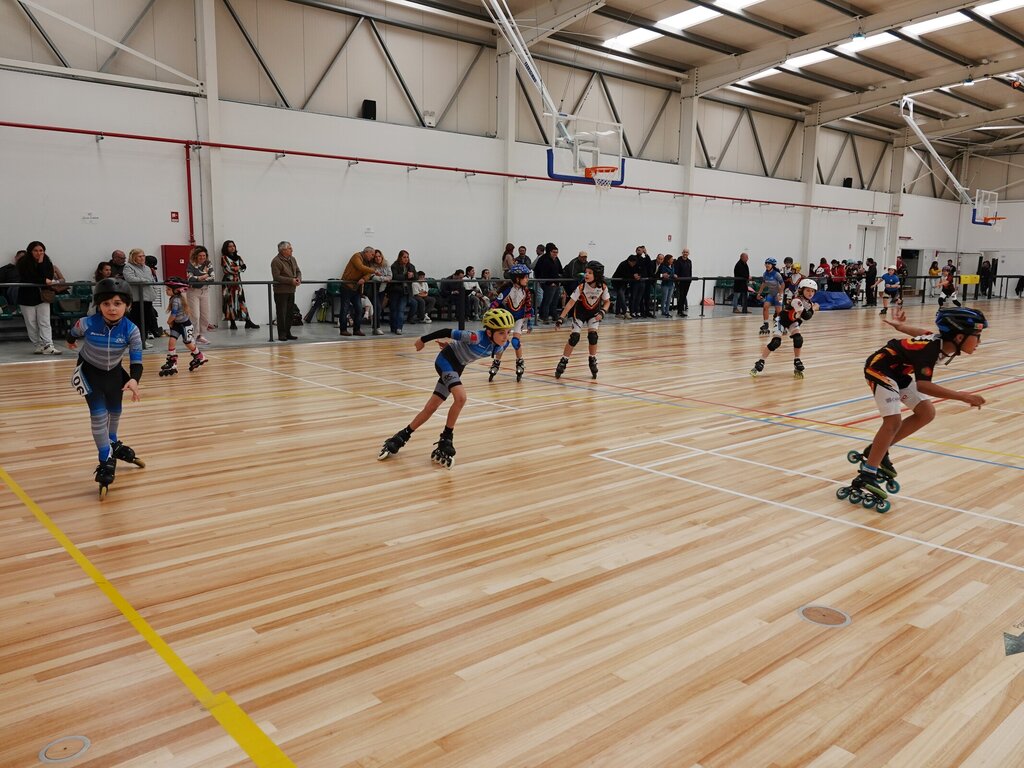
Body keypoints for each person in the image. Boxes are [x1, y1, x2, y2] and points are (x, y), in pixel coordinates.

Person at [841, 305, 987, 511]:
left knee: (927, 412)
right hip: (879, 368)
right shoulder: (931, 350)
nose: (979, 342)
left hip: (897, 371)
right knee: (893, 421)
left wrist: (900, 326)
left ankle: (877, 450)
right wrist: (962, 396)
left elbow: (922, 333)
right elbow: (923, 385)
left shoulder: (941, 343)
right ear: (959, 337)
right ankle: (868, 473)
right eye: (977, 336)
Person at [377, 307, 515, 468]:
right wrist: (423, 340)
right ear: (489, 332)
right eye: (501, 333)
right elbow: (446, 331)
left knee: (431, 407)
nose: (506, 337)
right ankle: (446, 438)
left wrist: (456, 345)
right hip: (446, 360)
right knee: (461, 398)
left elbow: (497, 350)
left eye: (508, 332)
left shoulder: (502, 344)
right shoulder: (474, 337)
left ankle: (401, 436)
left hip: (458, 367)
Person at [66, 277, 145, 496]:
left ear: (127, 305)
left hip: (114, 375)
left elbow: (137, 361)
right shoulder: (87, 323)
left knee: (115, 412)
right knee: (99, 416)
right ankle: (105, 458)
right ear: (98, 305)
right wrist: (71, 341)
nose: (112, 308)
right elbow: (72, 332)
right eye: (106, 303)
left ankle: (112, 443)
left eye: (117, 303)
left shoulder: (132, 330)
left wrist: (134, 379)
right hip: (89, 373)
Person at [750, 278, 819, 379]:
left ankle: (797, 360)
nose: (810, 293)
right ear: (801, 290)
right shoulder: (797, 300)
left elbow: (806, 314)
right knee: (776, 342)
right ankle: (761, 361)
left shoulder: (808, 302)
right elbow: (806, 316)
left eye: (812, 291)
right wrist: (814, 308)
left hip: (792, 322)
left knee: (798, 339)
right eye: (808, 290)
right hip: (781, 320)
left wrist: (812, 307)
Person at [553, 261, 611, 380]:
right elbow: (570, 304)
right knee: (574, 338)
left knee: (593, 337)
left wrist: (603, 312)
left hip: (593, 314)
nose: (586, 274)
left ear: (597, 275)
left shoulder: (603, 287)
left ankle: (592, 358)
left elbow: (607, 302)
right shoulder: (581, 287)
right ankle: (564, 359)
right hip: (580, 313)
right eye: (586, 272)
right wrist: (561, 318)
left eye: (589, 273)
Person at [487, 263, 533, 383]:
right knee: (503, 343)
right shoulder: (508, 290)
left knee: (515, 342)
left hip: (519, 318)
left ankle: (520, 362)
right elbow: (496, 302)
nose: (527, 279)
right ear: (517, 279)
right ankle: (496, 362)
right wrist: (490, 311)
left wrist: (530, 322)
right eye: (525, 277)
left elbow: (529, 307)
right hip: (508, 318)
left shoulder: (526, 291)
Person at [17, 241, 62, 355]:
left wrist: (41, 263)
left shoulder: (47, 261)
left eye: (41, 250)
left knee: (45, 321)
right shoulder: (23, 262)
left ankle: (49, 345)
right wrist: (44, 280)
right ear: (30, 251)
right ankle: (38, 345)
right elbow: (28, 277)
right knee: (31, 323)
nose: (39, 253)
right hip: (27, 297)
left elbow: (47, 277)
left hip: (42, 296)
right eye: (36, 251)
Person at [160, 277, 207, 376]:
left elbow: (173, 315)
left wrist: (168, 322)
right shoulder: (174, 298)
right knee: (171, 341)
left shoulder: (176, 300)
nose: (166, 291)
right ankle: (172, 362)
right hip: (177, 324)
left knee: (188, 343)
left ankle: (200, 356)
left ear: (176, 290)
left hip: (185, 325)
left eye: (168, 289)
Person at [122, 248, 159, 347]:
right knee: (136, 320)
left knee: (146, 320)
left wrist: (154, 290)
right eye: (139, 256)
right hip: (137, 298)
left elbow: (152, 280)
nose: (142, 258)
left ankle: (143, 340)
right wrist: (145, 281)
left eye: (143, 256)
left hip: (148, 297)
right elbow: (130, 279)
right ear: (133, 257)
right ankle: (133, 340)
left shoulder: (147, 268)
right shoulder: (128, 267)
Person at [221, 240, 259, 330]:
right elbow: (228, 269)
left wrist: (236, 268)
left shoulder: (238, 257)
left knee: (241, 301)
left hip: (238, 282)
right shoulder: (224, 258)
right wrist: (238, 268)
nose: (232, 248)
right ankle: (232, 322)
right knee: (230, 302)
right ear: (226, 248)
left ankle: (247, 321)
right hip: (228, 283)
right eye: (230, 246)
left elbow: (244, 268)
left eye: (233, 246)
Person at [340, 246, 376, 336]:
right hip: (346, 286)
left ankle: (356, 329)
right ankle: (343, 330)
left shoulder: (368, 263)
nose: (373, 257)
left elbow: (368, 274)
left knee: (359, 309)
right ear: (366, 252)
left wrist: (364, 279)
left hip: (356, 288)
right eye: (372, 254)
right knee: (344, 309)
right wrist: (374, 271)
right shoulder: (356, 256)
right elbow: (360, 267)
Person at [270, 241, 301, 341]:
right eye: (290, 248)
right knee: (281, 313)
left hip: (291, 290)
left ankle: (288, 332)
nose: (292, 250)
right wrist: (291, 280)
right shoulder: (276, 261)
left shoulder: (293, 259)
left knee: (289, 313)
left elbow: (298, 271)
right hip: (281, 291)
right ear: (283, 250)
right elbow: (277, 277)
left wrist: (298, 278)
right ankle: (282, 334)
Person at [186, 246, 214, 341]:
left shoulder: (208, 264)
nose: (202, 257)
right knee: (195, 315)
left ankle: (201, 335)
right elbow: (190, 278)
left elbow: (212, 278)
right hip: (193, 292)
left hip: (205, 291)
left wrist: (198, 278)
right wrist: (202, 277)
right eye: (200, 256)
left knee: (205, 316)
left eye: (204, 255)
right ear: (196, 256)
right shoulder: (191, 264)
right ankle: (193, 335)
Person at [388, 250, 416, 334]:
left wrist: (413, 275)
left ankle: (399, 328)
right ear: (400, 257)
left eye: (407, 257)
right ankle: (393, 327)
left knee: (401, 310)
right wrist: (406, 276)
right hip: (395, 291)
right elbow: (395, 276)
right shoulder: (394, 265)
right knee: (394, 310)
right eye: (404, 257)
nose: (406, 259)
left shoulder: (411, 266)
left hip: (405, 292)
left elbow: (416, 276)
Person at [534, 243, 563, 323]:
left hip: (556, 282)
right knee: (547, 300)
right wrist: (548, 282)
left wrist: (560, 279)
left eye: (556, 252)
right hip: (548, 283)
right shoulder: (544, 259)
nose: (555, 254)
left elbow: (560, 270)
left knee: (555, 300)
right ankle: (544, 317)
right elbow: (541, 272)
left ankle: (553, 315)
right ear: (550, 251)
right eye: (554, 252)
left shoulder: (556, 259)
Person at [755, 257, 785, 335]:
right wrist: (759, 293)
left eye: (769, 264)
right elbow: (763, 284)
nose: (767, 265)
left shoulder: (776, 274)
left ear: (773, 265)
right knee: (765, 306)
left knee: (778, 311)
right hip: (771, 293)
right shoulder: (765, 274)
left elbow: (783, 284)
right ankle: (766, 324)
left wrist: (780, 295)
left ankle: (781, 325)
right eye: (766, 263)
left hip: (778, 294)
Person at [612, 253, 641, 318]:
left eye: (635, 263)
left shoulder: (634, 265)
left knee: (619, 297)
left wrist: (637, 275)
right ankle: (625, 312)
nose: (634, 264)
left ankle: (617, 313)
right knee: (621, 296)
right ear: (629, 261)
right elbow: (624, 275)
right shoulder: (623, 264)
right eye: (633, 263)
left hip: (624, 283)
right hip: (617, 283)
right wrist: (633, 276)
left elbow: (636, 272)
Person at [674, 249, 692, 316]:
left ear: (688, 253)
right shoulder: (678, 261)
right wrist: (677, 280)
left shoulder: (689, 261)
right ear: (682, 253)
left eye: (686, 252)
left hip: (687, 281)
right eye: (684, 252)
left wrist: (690, 279)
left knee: (684, 296)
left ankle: (681, 310)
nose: (685, 253)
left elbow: (690, 271)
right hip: (680, 281)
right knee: (681, 296)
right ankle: (680, 311)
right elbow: (676, 271)